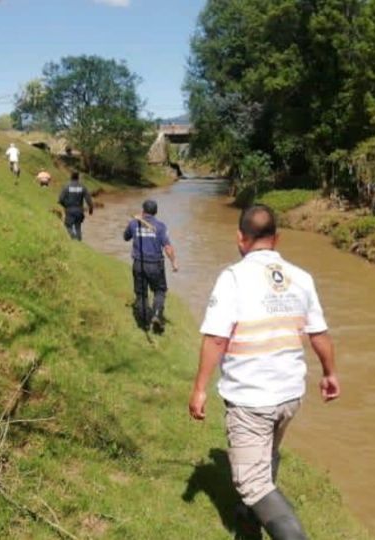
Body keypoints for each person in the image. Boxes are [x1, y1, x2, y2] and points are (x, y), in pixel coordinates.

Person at [188, 205, 340, 540]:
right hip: (289, 395)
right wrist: (330, 373)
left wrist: (200, 389)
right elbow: (319, 333)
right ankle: (247, 517)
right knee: (267, 453)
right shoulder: (301, 277)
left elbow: (216, 337)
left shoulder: (233, 278)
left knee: (253, 482)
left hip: (251, 398)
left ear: (240, 238)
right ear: (277, 238)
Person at [123, 200, 179, 332]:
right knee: (160, 291)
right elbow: (168, 247)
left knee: (141, 294)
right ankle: (157, 315)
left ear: (143, 211)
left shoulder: (134, 223)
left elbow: (125, 237)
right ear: (156, 212)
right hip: (155, 265)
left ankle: (143, 323)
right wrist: (174, 262)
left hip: (139, 264)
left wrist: (132, 226)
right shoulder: (161, 226)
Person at [58, 171, 94, 241]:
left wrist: (65, 206)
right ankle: (79, 241)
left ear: (71, 177)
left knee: (68, 226)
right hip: (79, 211)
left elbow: (60, 199)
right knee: (78, 227)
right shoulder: (83, 187)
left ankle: (73, 237)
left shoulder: (67, 186)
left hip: (70, 210)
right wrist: (91, 209)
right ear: (78, 178)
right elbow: (88, 199)